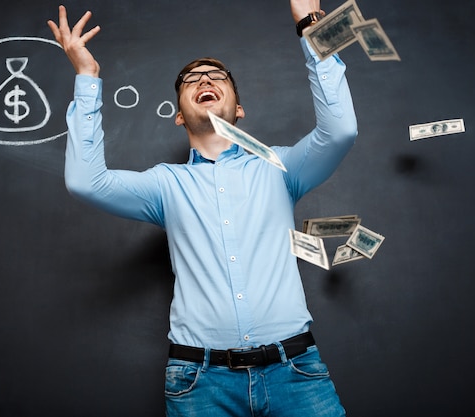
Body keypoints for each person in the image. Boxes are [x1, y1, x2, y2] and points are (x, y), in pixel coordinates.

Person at [48, 1, 358, 415]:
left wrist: (309, 23)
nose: (203, 80)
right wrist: (87, 78)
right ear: (179, 116)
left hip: (296, 374)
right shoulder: (164, 185)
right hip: (200, 384)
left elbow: (341, 130)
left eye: (216, 76)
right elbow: (86, 181)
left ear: (239, 108)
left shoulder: (280, 169)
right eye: (190, 80)